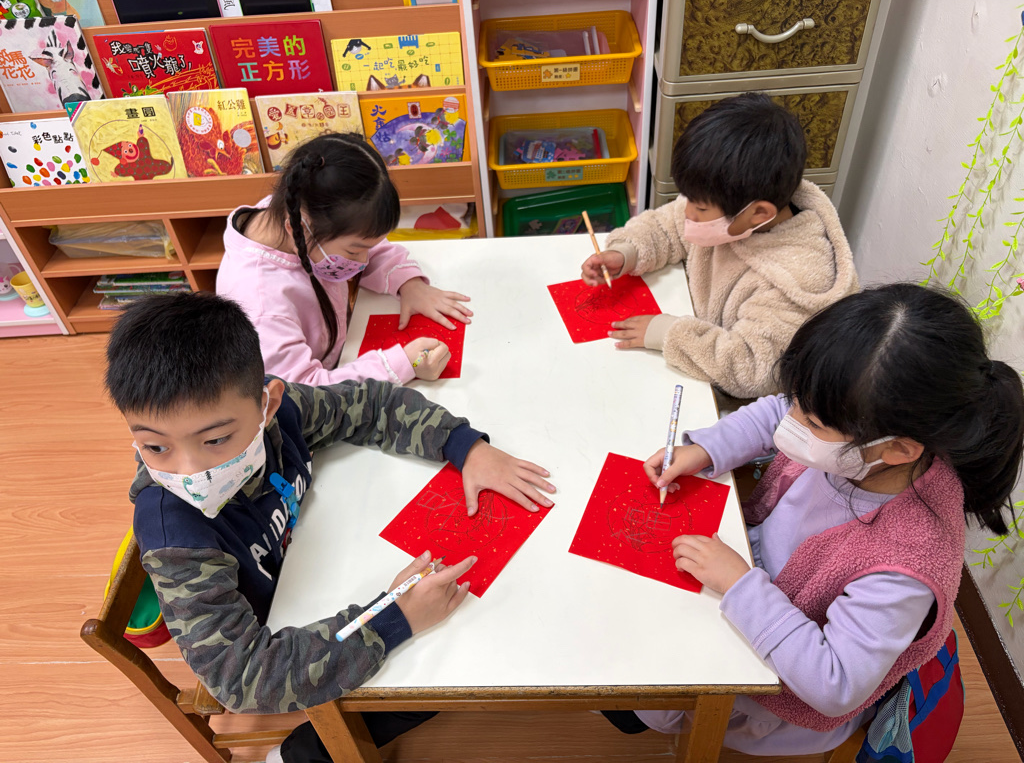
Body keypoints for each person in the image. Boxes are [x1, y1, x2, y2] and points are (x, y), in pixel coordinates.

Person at [107, 292, 556, 762]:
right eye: (155, 447)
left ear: (266, 405)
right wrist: (391, 618)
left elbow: (370, 404)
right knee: (425, 678)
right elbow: (240, 676)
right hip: (277, 636)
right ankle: (296, 756)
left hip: (314, 569)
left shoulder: (281, 413)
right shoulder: (175, 534)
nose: (189, 470)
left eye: (216, 439)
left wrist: (464, 446)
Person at [605, 284, 1024, 754]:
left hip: (782, 691)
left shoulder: (905, 565)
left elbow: (835, 684)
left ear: (898, 449)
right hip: (755, 580)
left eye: (813, 422)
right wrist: (705, 448)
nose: (792, 420)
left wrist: (740, 584)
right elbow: (774, 414)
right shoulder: (857, 440)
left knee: (632, 680)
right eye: (796, 400)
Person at [581, 93, 858, 399]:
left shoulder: (797, 281)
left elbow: (751, 370)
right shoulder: (737, 202)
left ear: (759, 213)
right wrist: (627, 252)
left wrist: (669, 334)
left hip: (733, 405)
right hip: (698, 349)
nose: (687, 212)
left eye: (700, 208)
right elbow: (667, 225)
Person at [218, 132, 472, 386]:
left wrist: (409, 283)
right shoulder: (262, 307)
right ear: (300, 229)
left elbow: (364, 240)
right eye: (353, 252)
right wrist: (403, 365)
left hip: (341, 348)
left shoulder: (295, 208)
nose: (364, 261)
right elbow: (304, 393)